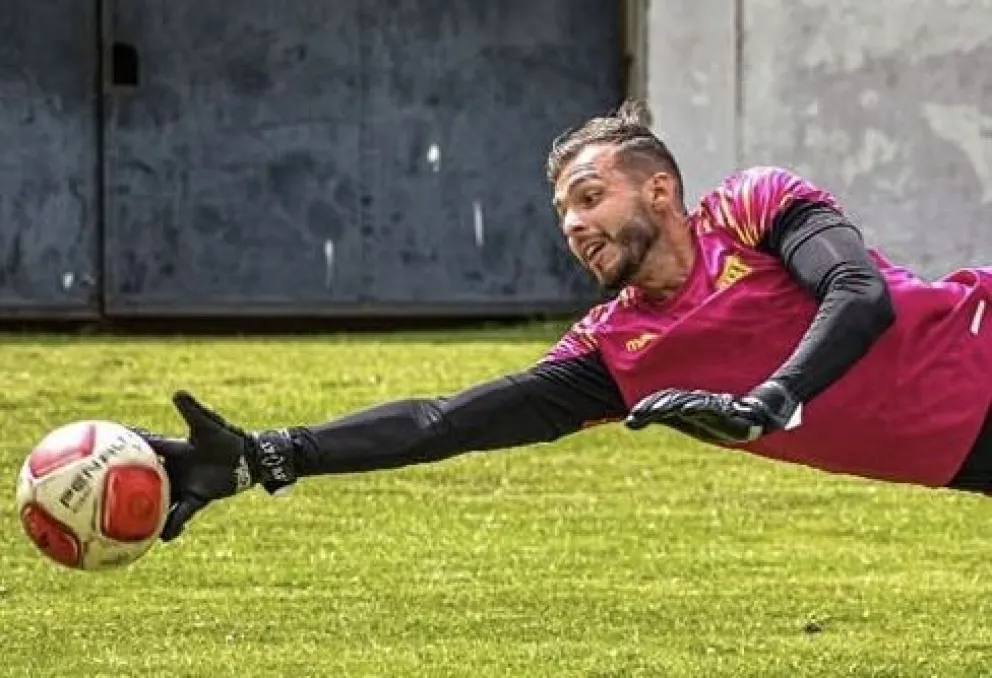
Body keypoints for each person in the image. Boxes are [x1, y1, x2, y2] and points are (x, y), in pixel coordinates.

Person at [136, 100, 992, 543]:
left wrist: (772, 399)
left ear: (658, 189)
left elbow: (858, 294)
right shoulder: (617, 353)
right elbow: (449, 421)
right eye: (562, 213)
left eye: (590, 197)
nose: (574, 224)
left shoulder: (752, 208)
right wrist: (269, 453)